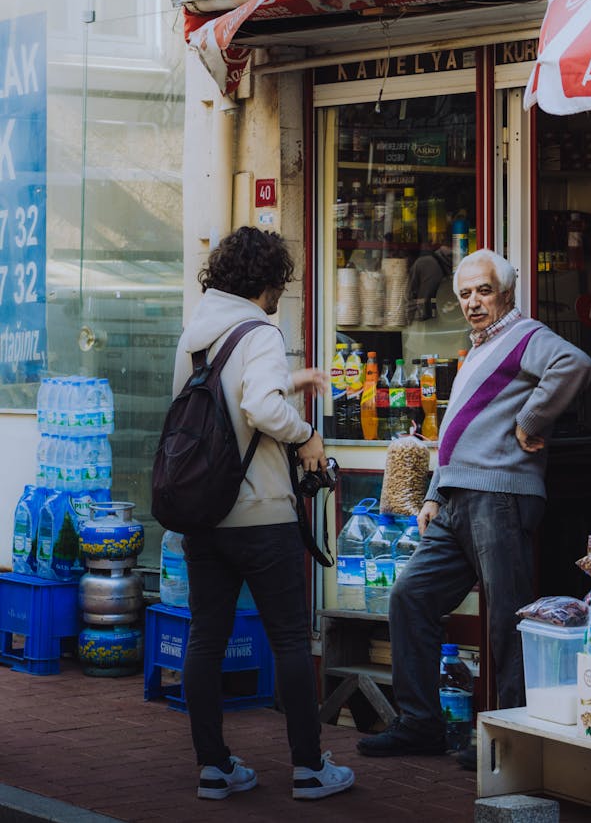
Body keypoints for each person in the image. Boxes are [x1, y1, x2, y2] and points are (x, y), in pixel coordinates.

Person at [357, 248, 591, 761]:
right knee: (410, 597)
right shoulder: (481, 347)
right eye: (464, 294)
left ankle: (513, 740)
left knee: (508, 618)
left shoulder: (525, 336)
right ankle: (420, 724)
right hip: (458, 500)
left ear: (506, 293)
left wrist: (532, 420)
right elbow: (460, 430)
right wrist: (436, 492)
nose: (473, 302)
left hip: (500, 496)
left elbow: (575, 363)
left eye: (483, 291)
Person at [175, 226, 354, 802]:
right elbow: (257, 405)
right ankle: (308, 768)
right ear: (268, 280)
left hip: (204, 514)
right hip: (261, 513)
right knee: (289, 641)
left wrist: (289, 383)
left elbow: (222, 402)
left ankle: (214, 768)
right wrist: (306, 436)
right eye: (281, 280)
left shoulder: (196, 332)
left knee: (205, 638)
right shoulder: (261, 329)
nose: (282, 291)